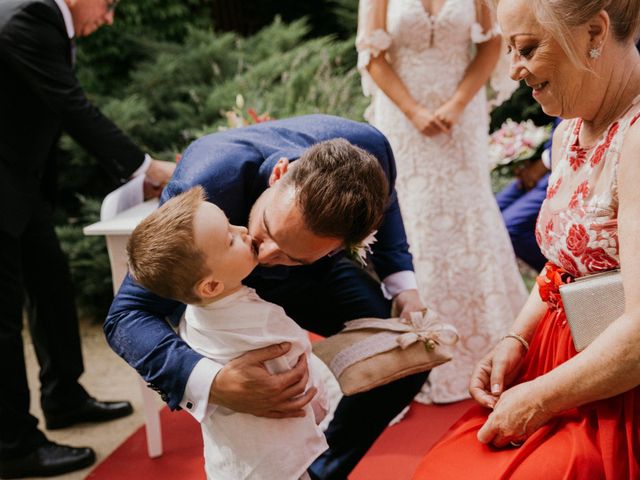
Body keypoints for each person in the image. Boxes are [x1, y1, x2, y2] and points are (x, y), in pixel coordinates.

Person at [105, 118, 430, 480]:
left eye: (292, 253)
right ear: (279, 174)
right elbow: (127, 316)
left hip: (312, 280)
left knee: (405, 353)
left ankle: (320, 471)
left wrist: (404, 288)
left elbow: (386, 205)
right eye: (271, 230)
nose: (267, 254)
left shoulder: (372, 150)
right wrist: (214, 383)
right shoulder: (206, 182)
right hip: (225, 288)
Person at [413, 0, 640, 477]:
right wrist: (518, 336)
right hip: (557, 369)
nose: (514, 70)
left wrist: (540, 397)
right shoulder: (568, 132)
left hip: (615, 395)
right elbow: (562, 266)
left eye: (527, 49)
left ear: (595, 34)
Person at [0, 0, 175, 477]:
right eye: (111, 4)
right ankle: (12, 446)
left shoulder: (47, 20)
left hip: (22, 185)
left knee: (52, 287)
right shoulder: (25, 17)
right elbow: (70, 104)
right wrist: (146, 168)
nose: (111, 17)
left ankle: (65, 396)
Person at [356, 0, 528, 403]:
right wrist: (414, 110)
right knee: (410, 210)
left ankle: (489, 341)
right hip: (401, 115)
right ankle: (416, 344)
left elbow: (490, 44)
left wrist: (456, 104)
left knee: (468, 210)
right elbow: (373, 56)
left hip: (462, 112)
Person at [127, 186, 332, 480]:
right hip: (277, 456)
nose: (242, 230)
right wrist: (319, 407)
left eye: (232, 223)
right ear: (211, 286)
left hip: (231, 459)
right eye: (230, 238)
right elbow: (300, 360)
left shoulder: (192, 317)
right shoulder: (263, 321)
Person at [496, 120, 559, 272]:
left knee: (507, 227)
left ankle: (560, 273)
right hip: (543, 160)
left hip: (556, 170)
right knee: (492, 211)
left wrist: (542, 166)